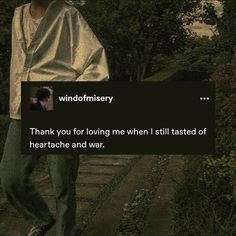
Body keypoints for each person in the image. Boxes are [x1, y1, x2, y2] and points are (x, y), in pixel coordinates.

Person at [0, 0, 109, 235]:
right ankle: (41, 218)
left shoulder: (68, 15)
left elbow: (96, 64)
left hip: (54, 103)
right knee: (10, 177)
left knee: (63, 183)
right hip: (23, 108)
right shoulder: (18, 15)